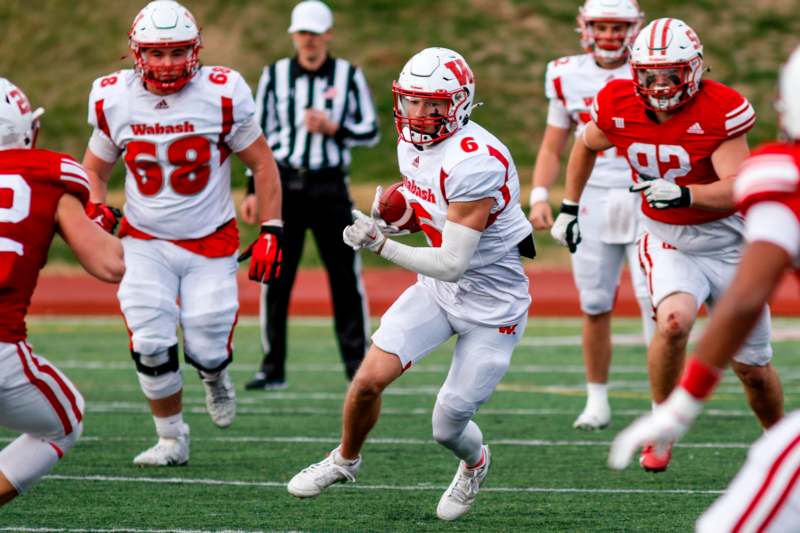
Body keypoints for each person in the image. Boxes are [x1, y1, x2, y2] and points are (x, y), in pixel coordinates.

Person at [286, 47, 535, 521]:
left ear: (459, 103)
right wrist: (397, 220)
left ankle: (474, 463)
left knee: (447, 426)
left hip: (492, 306)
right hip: (436, 293)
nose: (420, 115)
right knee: (366, 383)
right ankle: (345, 460)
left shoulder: (475, 161)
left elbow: (452, 262)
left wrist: (379, 243)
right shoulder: (411, 145)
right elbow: (433, 218)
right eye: (412, 102)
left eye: (434, 104)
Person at [551, 18, 784, 472]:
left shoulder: (721, 108)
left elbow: (740, 184)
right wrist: (569, 205)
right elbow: (585, 145)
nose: (658, 85)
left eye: (669, 74)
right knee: (673, 322)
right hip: (666, 238)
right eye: (648, 74)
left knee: (752, 370)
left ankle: (781, 444)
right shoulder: (618, 102)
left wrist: (686, 193)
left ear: (693, 72)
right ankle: (662, 427)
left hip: (729, 241)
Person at [82, 0, 283, 466]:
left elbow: (262, 162)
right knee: (150, 341)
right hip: (144, 240)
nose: (167, 63)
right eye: (157, 53)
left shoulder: (222, 91)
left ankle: (214, 376)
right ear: (137, 53)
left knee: (208, 343)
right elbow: (95, 168)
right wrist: (94, 209)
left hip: (210, 240)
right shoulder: (114, 97)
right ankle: (171, 438)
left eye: (177, 52)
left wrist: (273, 227)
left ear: (195, 51)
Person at [608, 46, 800, 532]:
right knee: (683, 328)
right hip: (678, 241)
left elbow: (744, 299)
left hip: (725, 244)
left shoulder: (781, 174)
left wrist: (686, 403)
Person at [241, 0, 379, 391]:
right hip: (284, 185)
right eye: (303, 33)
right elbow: (255, 136)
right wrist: (253, 187)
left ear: (328, 35)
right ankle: (273, 367)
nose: (309, 41)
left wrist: (335, 128)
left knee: (344, 278)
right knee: (276, 275)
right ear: (294, 36)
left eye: (315, 34)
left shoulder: (350, 76)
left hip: (330, 185)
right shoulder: (275, 75)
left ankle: (357, 365)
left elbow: (370, 130)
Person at [0, 78, 125, 506]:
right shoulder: (49, 174)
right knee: (64, 420)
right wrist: (99, 224)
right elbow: (110, 264)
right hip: (1, 344)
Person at [529, 0, 652, 431]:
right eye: (601, 26)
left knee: (654, 303)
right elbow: (552, 144)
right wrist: (541, 194)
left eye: (618, 27)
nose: (609, 35)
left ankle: (662, 405)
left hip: (645, 195)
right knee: (595, 302)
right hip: (591, 197)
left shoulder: (650, 66)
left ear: (634, 28)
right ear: (586, 27)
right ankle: (597, 398)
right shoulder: (565, 73)